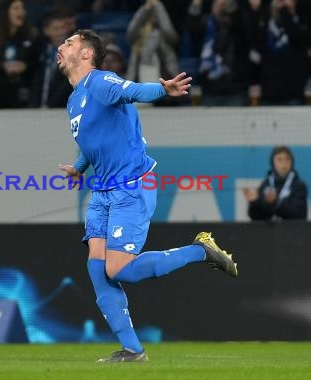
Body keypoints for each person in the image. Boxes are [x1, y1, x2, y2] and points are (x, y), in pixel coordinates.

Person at [56, 29, 238, 363]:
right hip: (102, 190)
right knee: (98, 268)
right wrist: (80, 168)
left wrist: (163, 90)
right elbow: (94, 141)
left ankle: (200, 251)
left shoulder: (100, 81)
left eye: (69, 42)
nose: (60, 46)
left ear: (86, 54)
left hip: (131, 187)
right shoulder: (74, 99)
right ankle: (132, 351)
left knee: (119, 269)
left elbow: (132, 91)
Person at [243, 145, 308, 221]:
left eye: (287, 159)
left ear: (292, 162)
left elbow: (299, 214)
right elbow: (255, 216)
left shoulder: (299, 186)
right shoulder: (266, 184)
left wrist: (275, 202)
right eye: (279, 159)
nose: (284, 163)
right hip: (269, 232)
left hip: (291, 231)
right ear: (273, 162)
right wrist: (254, 202)